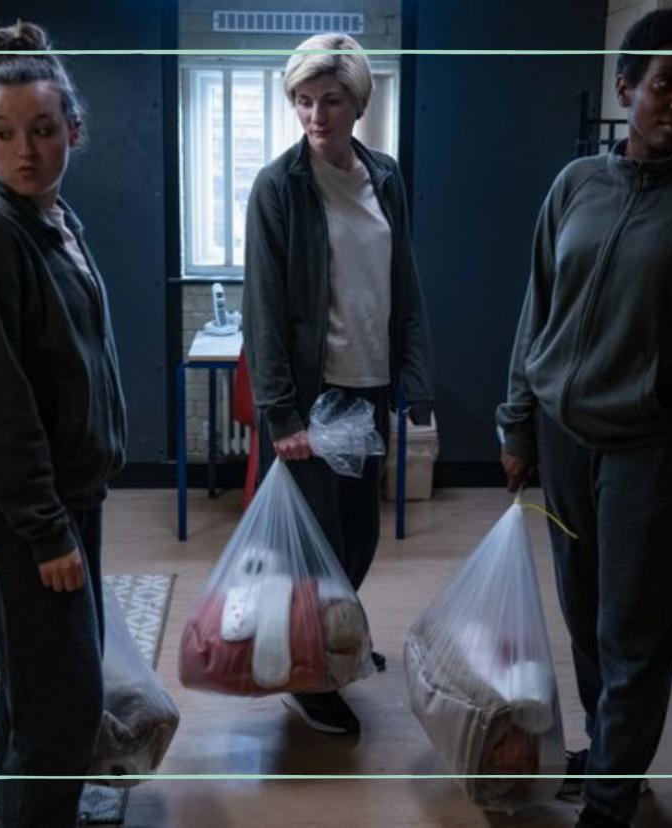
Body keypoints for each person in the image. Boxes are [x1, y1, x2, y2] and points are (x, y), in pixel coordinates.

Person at [496, 9, 672, 827]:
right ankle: (610, 755)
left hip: (654, 454)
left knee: (637, 633)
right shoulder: (574, 184)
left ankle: (611, 798)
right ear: (626, 88)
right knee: (584, 618)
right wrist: (517, 422)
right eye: (665, 83)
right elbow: (535, 309)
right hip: (563, 438)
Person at [0, 21, 127, 827]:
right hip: (22, 506)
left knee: (44, 689)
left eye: (43, 130)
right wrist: (47, 532)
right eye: (4, 133)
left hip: (64, 488)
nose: (25, 150)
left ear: (71, 130)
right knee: (62, 710)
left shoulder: (52, 217)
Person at [243, 32, 436, 736]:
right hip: (312, 397)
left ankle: (328, 642)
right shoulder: (279, 187)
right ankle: (309, 676)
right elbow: (261, 304)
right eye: (303, 101)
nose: (315, 114)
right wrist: (280, 414)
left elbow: (403, 283)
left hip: (371, 388)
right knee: (315, 550)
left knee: (357, 541)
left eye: (330, 101)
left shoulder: (385, 177)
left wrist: (417, 378)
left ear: (358, 104)